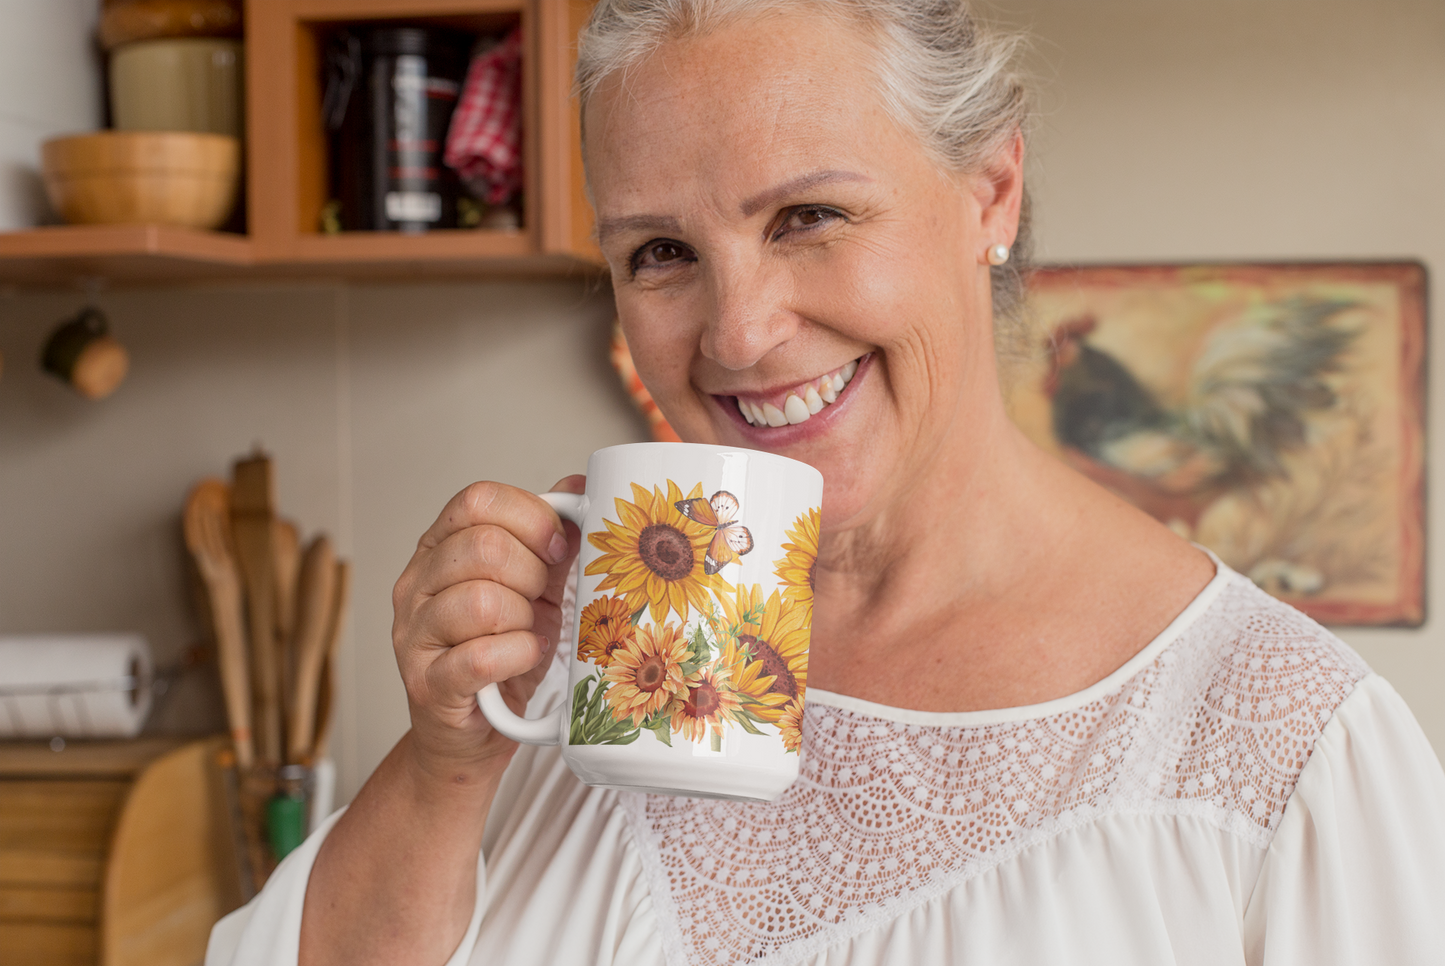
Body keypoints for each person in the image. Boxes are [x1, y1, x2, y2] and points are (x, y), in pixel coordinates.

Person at [208, 2, 1445, 964]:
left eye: (806, 216)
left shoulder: (1277, 748)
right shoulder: (594, 669)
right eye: (661, 253)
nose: (737, 333)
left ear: (988, 191)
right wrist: (443, 763)